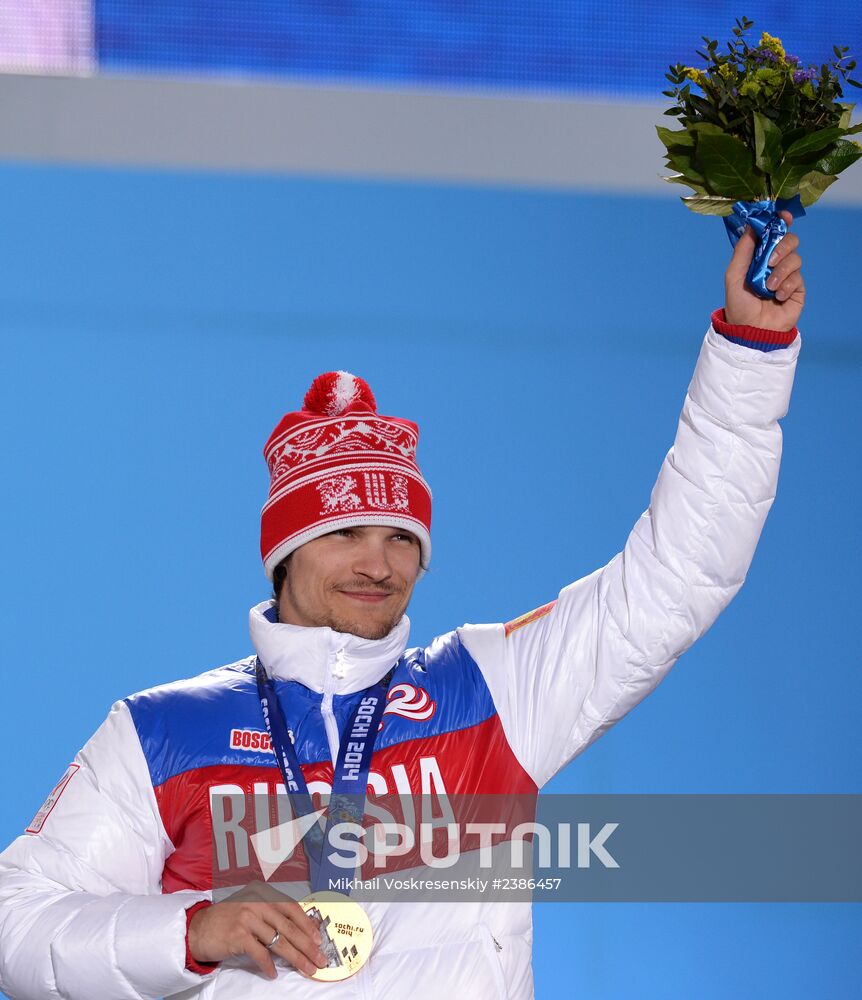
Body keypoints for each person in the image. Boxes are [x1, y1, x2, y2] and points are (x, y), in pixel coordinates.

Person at [0, 221, 804, 999]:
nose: (378, 565)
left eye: (401, 537)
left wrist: (749, 354)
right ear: (283, 553)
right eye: (343, 533)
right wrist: (193, 930)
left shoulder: (492, 690)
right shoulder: (163, 733)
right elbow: (18, 931)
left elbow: (678, 575)